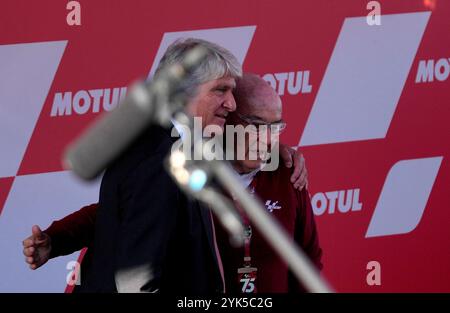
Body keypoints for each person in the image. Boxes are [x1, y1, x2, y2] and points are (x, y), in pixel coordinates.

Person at [22, 39, 308, 293]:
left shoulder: (183, 145)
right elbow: (138, 282)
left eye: (275, 126)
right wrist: (58, 239)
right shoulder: (158, 159)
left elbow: (132, 213)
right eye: (220, 90)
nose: (231, 104)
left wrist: (280, 152)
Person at [214, 73, 322, 293]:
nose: (267, 139)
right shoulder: (196, 177)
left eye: (275, 127)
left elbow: (308, 259)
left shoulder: (287, 172)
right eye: (256, 125)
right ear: (227, 119)